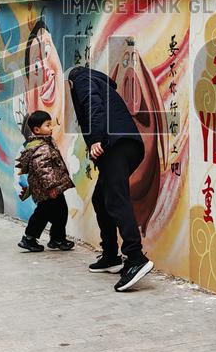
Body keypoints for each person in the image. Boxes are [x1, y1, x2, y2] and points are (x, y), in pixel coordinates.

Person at [67, 65, 154, 293]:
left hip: (114, 145)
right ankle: (110, 256)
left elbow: (92, 105)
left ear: (70, 84)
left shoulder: (82, 80)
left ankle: (135, 258)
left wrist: (96, 138)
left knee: (116, 199)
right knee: (101, 199)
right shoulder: (100, 82)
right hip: (125, 145)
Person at [16, 110, 75, 252]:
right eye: (48, 125)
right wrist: (51, 187)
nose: (51, 127)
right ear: (37, 130)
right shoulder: (41, 147)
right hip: (48, 190)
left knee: (59, 212)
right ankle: (30, 238)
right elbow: (43, 169)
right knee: (43, 213)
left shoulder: (45, 142)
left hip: (50, 188)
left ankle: (57, 239)